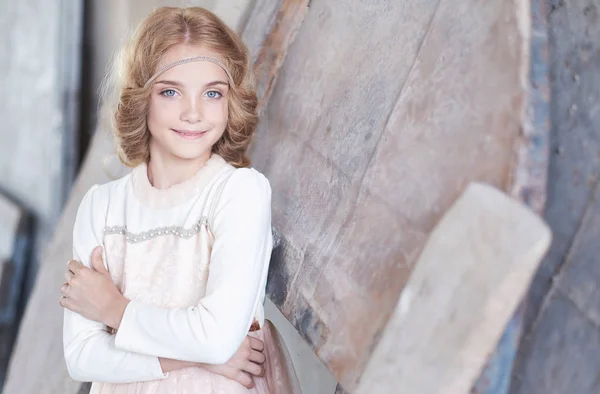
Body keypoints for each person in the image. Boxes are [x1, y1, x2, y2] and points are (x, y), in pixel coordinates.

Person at [60, 6, 276, 393]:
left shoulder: (240, 193)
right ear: (141, 98)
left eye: (212, 93)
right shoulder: (101, 206)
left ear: (231, 101)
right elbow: (82, 357)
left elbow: (215, 337)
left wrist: (114, 311)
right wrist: (198, 356)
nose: (193, 113)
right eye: (171, 91)